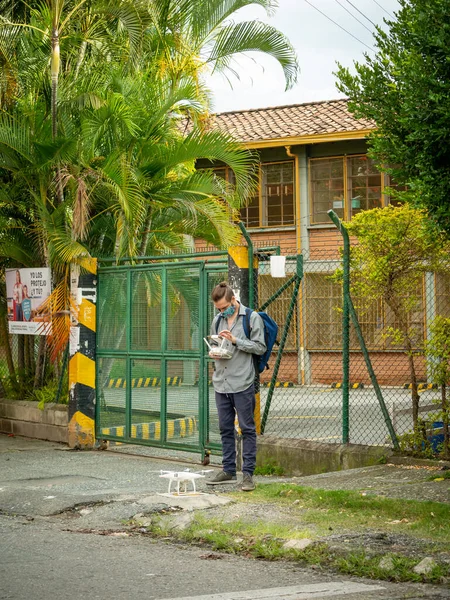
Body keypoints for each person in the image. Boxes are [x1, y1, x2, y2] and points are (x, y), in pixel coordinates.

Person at [206, 282, 266, 492]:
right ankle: (228, 469)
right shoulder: (217, 320)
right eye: (219, 309)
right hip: (221, 382)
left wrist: (236, 340)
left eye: (224, 307)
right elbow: (215, 343)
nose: (222, 311)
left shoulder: (251, 318)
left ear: (233, 299)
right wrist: (214, 350)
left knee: (247, 429)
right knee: (225, 427)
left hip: (242, 381)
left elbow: (260, 347)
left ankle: (248, 474)